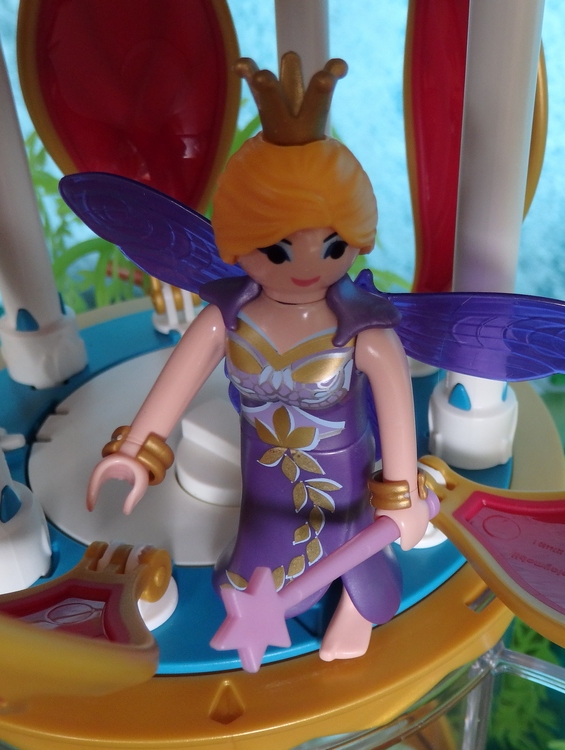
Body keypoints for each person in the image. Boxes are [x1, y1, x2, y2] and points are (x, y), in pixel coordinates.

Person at [86, 53, 430, 661]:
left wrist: (402, 498)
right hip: (264, 474)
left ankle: (357, 602)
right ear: (240, 242)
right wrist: (133, 454)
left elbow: (398, 418)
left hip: (343, 486)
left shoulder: (366, 334)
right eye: (277, 250)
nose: (308, 267)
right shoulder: (227, 318)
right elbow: (174, 387)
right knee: (249, 583)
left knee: (351, 555)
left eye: (332, 245)